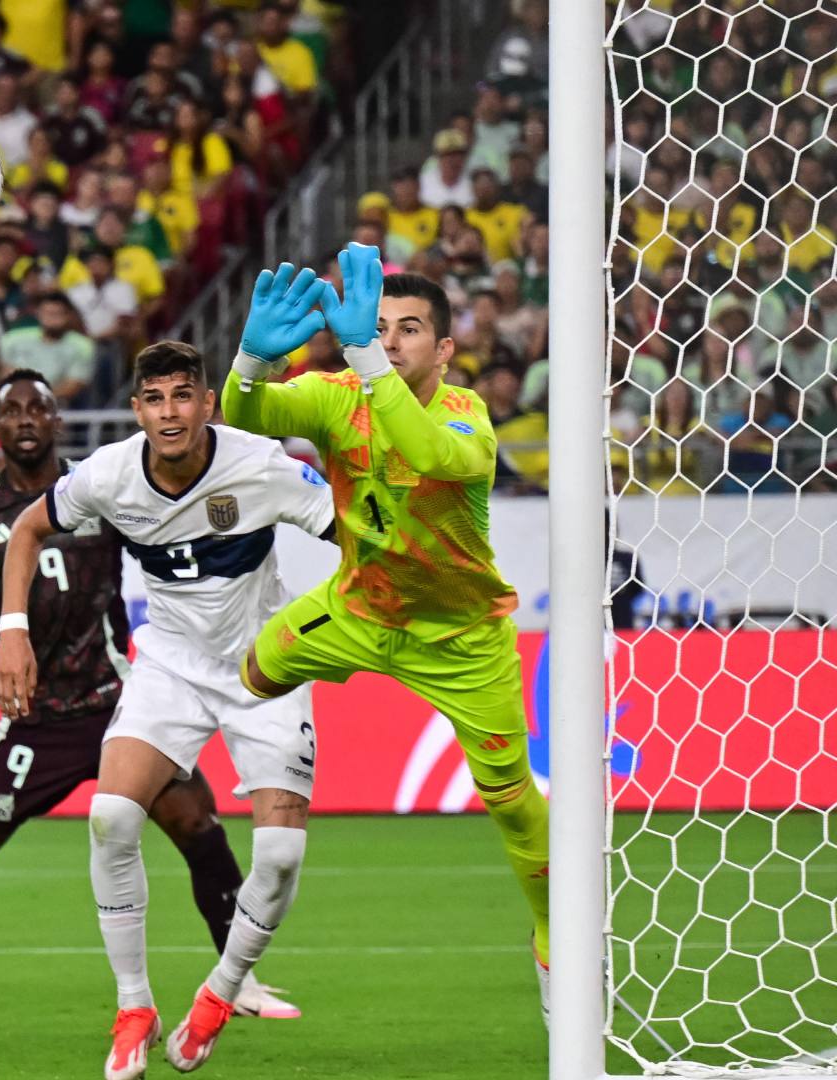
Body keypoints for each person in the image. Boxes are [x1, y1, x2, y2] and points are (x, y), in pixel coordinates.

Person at [0, 371, 300, 1025]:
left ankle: (243, 981)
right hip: (34, 722)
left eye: (40, 407)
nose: (28, 418)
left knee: (196, 825)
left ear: (57, 421)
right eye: (14, 410)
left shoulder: (105, 488)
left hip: (118, 703)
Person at [221, 249, 550, 1021]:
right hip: (358, 612)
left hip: (461, 639)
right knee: (254, 672)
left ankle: (551, 924)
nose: (391, 341)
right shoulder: (338, 396)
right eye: (376, 328)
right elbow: (243, 416)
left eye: (409, 330)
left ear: (445, 351)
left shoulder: (465, 415)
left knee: (509, 804)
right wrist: (251, 361)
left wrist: (366, 360)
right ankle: (281, 775)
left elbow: (431, 458)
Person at [0, 343, 335, 1079]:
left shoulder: (264, 466)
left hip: (263, 668)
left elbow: (355, 537)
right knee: (111, 817)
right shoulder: (110, 474)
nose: (170, 412)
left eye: (184, 396)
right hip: (172, 665)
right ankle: (133, 1007)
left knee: (279, 855)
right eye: (155, 399)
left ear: (208, 403)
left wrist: (354, 620)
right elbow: (27, 530)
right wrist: (12, 634)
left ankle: (221, 992)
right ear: (138, 409)